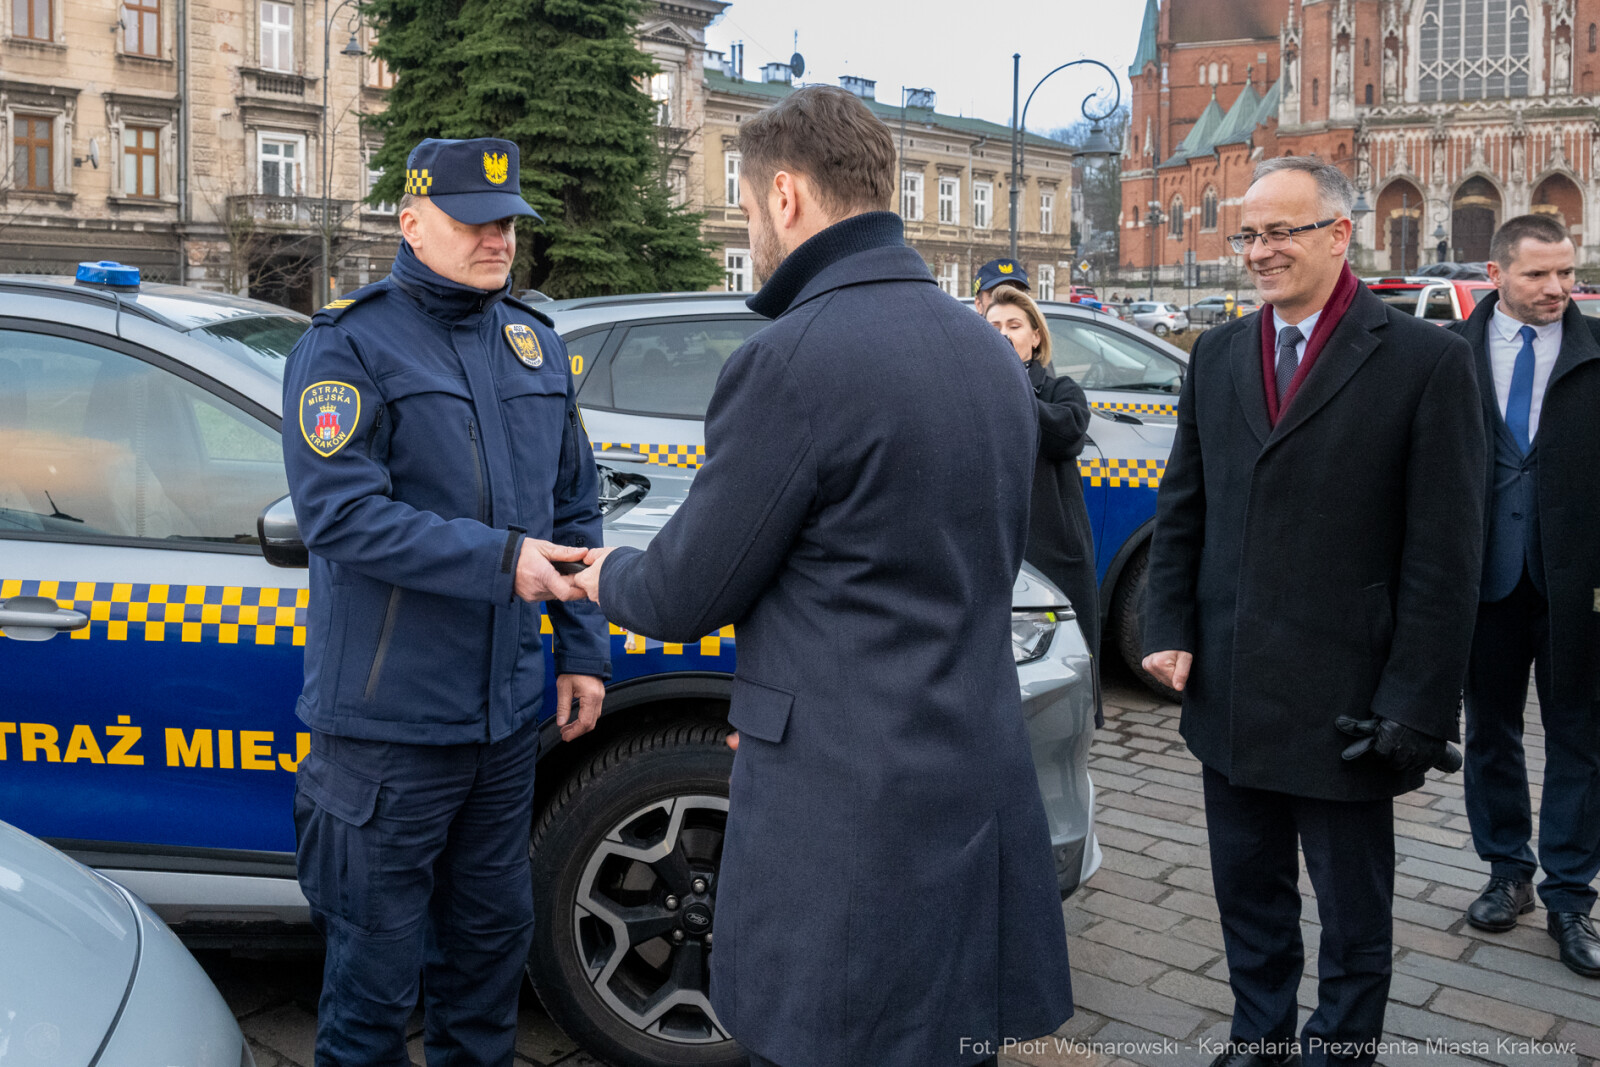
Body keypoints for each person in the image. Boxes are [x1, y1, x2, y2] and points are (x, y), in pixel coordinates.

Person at [572, 85, 1072, 1067]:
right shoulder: (988, 352)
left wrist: (602, 572)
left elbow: (684, 594)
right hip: (970, 776)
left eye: (752, 209)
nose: (752, 230)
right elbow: (956, 561)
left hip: (844, 808)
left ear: (790, 197)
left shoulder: (792, 358)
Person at [1141, 157, 1484, 1067]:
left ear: (1339, 234)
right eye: (1248, 234)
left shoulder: (1426, 362)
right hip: (1234, 688)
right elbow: (1185, 508)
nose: (1259, 251)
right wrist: (1166, 625)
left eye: (1280, 231)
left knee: (1352, 906)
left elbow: (1445, 556)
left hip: (1351, 700)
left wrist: (1417, 704)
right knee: (1248, 889)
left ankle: (1341, 1046)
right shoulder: (1215, 354)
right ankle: (1261, 1036)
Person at [281, 137, 612, 1066]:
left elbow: (572, 505)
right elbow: (343, 517)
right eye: (476, 221)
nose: (498, 238)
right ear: (411, 219)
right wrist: (504, 561)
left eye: (508, 221)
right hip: (387, 733)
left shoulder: (533, 343)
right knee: (372, 989)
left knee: (485, 967)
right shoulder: (346, 345)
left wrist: (583, 645)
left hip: (501, 728)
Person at [1446, 214, 1600, 978]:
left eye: (1567, 272)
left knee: (1581, 737)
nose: (1558, 288)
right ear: (1496, 272)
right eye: (1539, 274)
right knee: (1491, 729)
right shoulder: (1451, 355)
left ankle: (1571, 892)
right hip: (1486, 578)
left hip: (1579, 584)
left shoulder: (1597, 351)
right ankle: (1508, 870)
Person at [984, 286, 1101, 722]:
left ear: (1035, 337)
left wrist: (1010, 388)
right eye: (993, 326)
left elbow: (1067, 433)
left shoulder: (1059, 390)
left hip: (1052, 551)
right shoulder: (973, 391)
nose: (1003, 334)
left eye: (1014, 326)